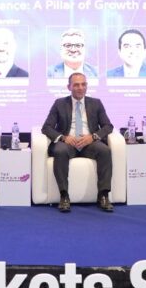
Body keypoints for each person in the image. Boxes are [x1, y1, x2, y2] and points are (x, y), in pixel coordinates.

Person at [41, 72, 114, 213]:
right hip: (68, 143)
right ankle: (64, 196)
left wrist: (93, 137)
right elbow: (46, 127)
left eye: (83, 84)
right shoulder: (59, 103)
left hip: (89, 143)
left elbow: (108, 126)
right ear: (69, 87)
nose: (80, 88)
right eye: (76, 85)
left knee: (105, 151)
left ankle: (103, 195)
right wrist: (64, 138)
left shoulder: (96, 103)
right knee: (60, 151)